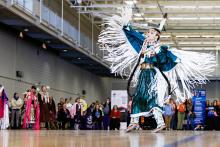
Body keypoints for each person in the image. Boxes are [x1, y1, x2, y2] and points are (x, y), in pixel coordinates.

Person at [98, 7, 215, 132]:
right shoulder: (142, 44)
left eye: (151, 32)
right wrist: (127, 21)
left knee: (152, 98)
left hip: (153, 75)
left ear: (156, 36)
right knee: (138, 97)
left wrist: (168, 56)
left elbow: (166, 58)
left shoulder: (159, 48)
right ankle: (134, 122)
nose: (148, 33)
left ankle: (160, 122)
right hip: (143, 74)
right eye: (148, 32)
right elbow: (132, 33)